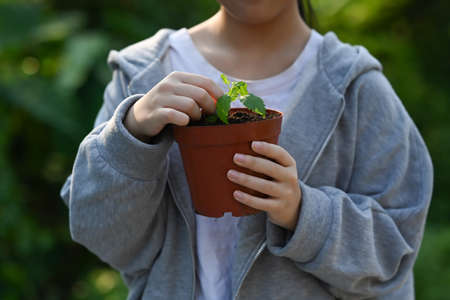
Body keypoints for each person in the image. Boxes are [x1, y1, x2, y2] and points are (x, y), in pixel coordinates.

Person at [60, 0, 433, 299]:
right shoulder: (142, 74)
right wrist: (132, 133)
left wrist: (303, 212)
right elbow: (99, 232)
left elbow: (392, 253)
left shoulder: (356, 88)